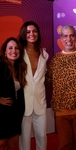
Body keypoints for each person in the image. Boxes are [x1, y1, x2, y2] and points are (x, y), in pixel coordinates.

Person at [45, 24, 76, 150]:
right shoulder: (56, 59)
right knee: (63, 145)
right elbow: (47, 80)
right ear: (61, 38)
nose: (68, 39)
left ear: (75, 37)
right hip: (61, 110)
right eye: (65, 36)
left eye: (71, 35)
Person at [18, 21, 49, 150]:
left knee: (42, 135)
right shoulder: (18, 52)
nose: (32, 34)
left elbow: (44, 77)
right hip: (23, 102)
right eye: (29, 31)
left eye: (35, 31)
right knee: (24, 138)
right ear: (24, 34)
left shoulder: (44, 54)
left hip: (40, 102)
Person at [0, 37, 27, 150]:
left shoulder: (19, 68)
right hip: (2, 114)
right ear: (5, 52)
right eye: (10, 48)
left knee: (13, 145)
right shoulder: (0, 66)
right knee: (1, 144)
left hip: (15, 115)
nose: (13, 51)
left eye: (16, 48)